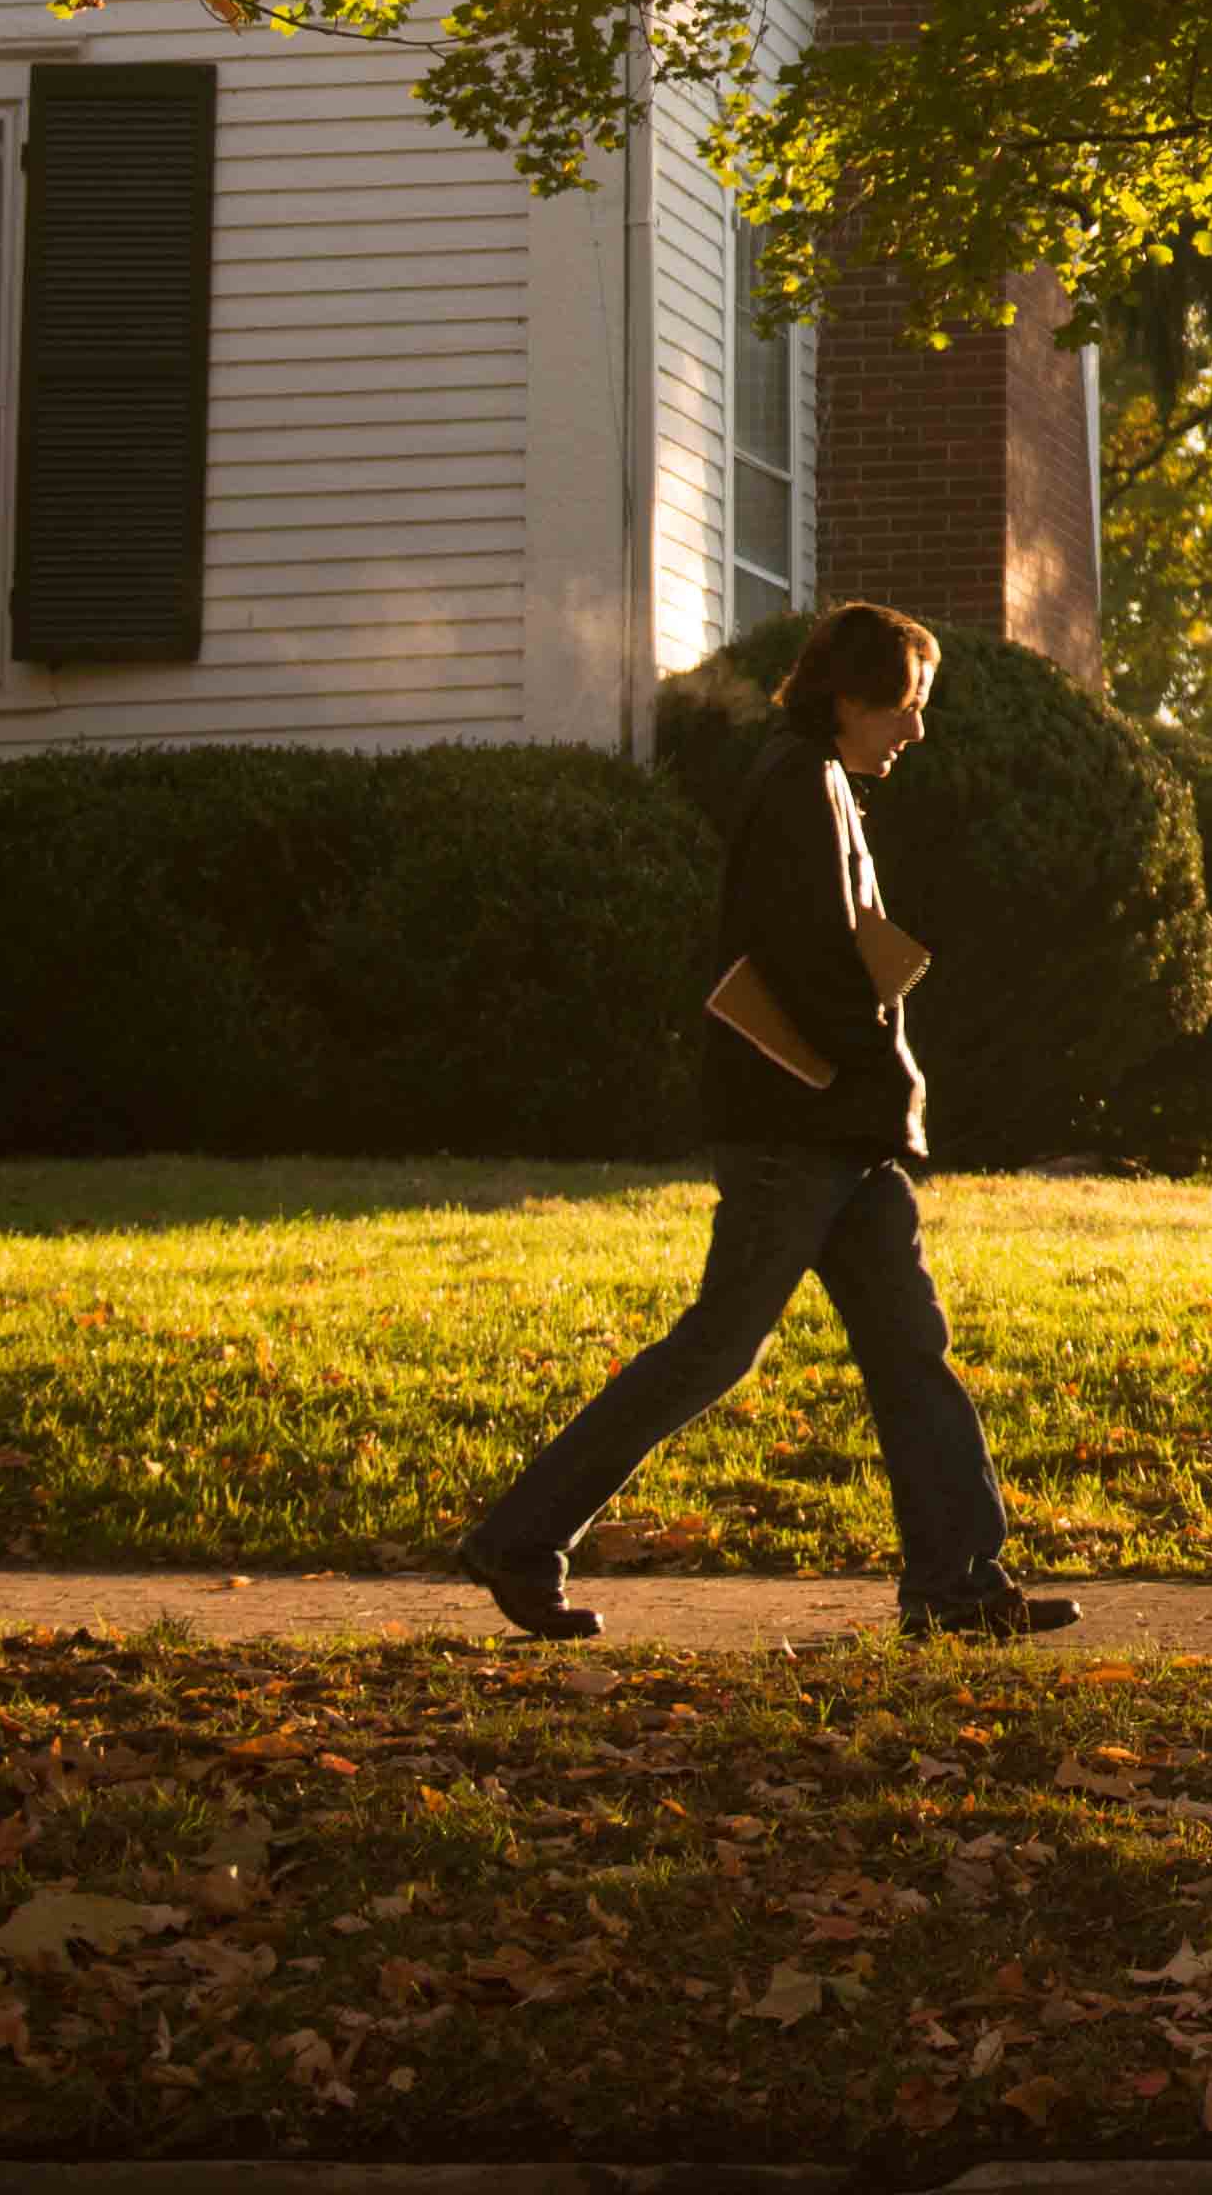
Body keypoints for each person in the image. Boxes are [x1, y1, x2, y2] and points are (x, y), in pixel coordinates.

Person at [460, 597, 1077, 1640]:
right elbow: (806, 965)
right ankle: (520, 1538)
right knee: (716, 1348)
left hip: (836, 1133)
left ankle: (959, 1583)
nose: (917, 728)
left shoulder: (821, 779)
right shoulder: (797, 784)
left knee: (908, 1349)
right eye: (906, 704)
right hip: (797, 1132)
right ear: (850, 696)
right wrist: (883, 1072)